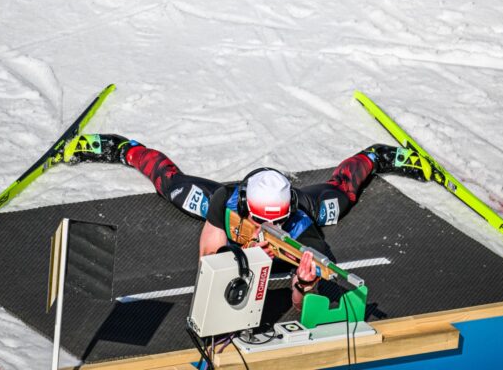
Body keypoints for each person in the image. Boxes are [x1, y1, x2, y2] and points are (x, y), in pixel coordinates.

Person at [64, 132, 433, 311]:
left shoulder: (304, 226)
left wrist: (305, 285)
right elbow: (208, 260)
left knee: (343, 193)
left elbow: (300, 307)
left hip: (305, 208)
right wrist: (238, 256)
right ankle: (123, 148)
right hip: (235, 214)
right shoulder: (228, 201)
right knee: (172, 185)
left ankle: (377, 155)